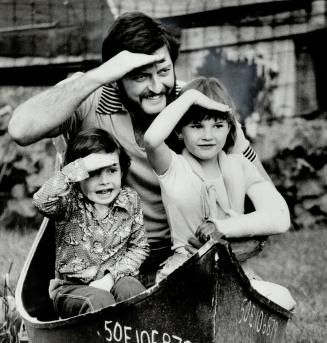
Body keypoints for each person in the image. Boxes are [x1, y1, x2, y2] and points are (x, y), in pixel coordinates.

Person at [9, 12, 269, 286]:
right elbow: (21, 129)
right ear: (117, 76)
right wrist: (98, 76)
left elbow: (262, 191)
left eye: (164, 71)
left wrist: (225, 239)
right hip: (100, 262)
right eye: (140, 76)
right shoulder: (90, 99)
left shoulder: (197, 107)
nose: (157, 87)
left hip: (184, 256)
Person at [144, 77, 295, 310]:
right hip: (185, 269)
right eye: (196, 126)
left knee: (282, 298)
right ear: (179, 132)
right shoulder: (173, 166)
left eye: (217, 125)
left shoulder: (239, 165)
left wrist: (222, 227)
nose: (208, 136)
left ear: (229, 127)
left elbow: (280, 216)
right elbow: (152, 139)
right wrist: (191, 97)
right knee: (193, 306)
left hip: (232, 269)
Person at [33, 128, 149, 318]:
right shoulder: (69, 201)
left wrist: (110, 278)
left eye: (112, 171)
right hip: (73, 289)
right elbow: (41, 201)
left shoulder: (130, 200)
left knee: (132, 290)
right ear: (78, 177)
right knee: (99, 302)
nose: (104, 181)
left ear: (122, 170)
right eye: (94, 173)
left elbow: (139, 247)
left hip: (115, 279)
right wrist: (76, 169)